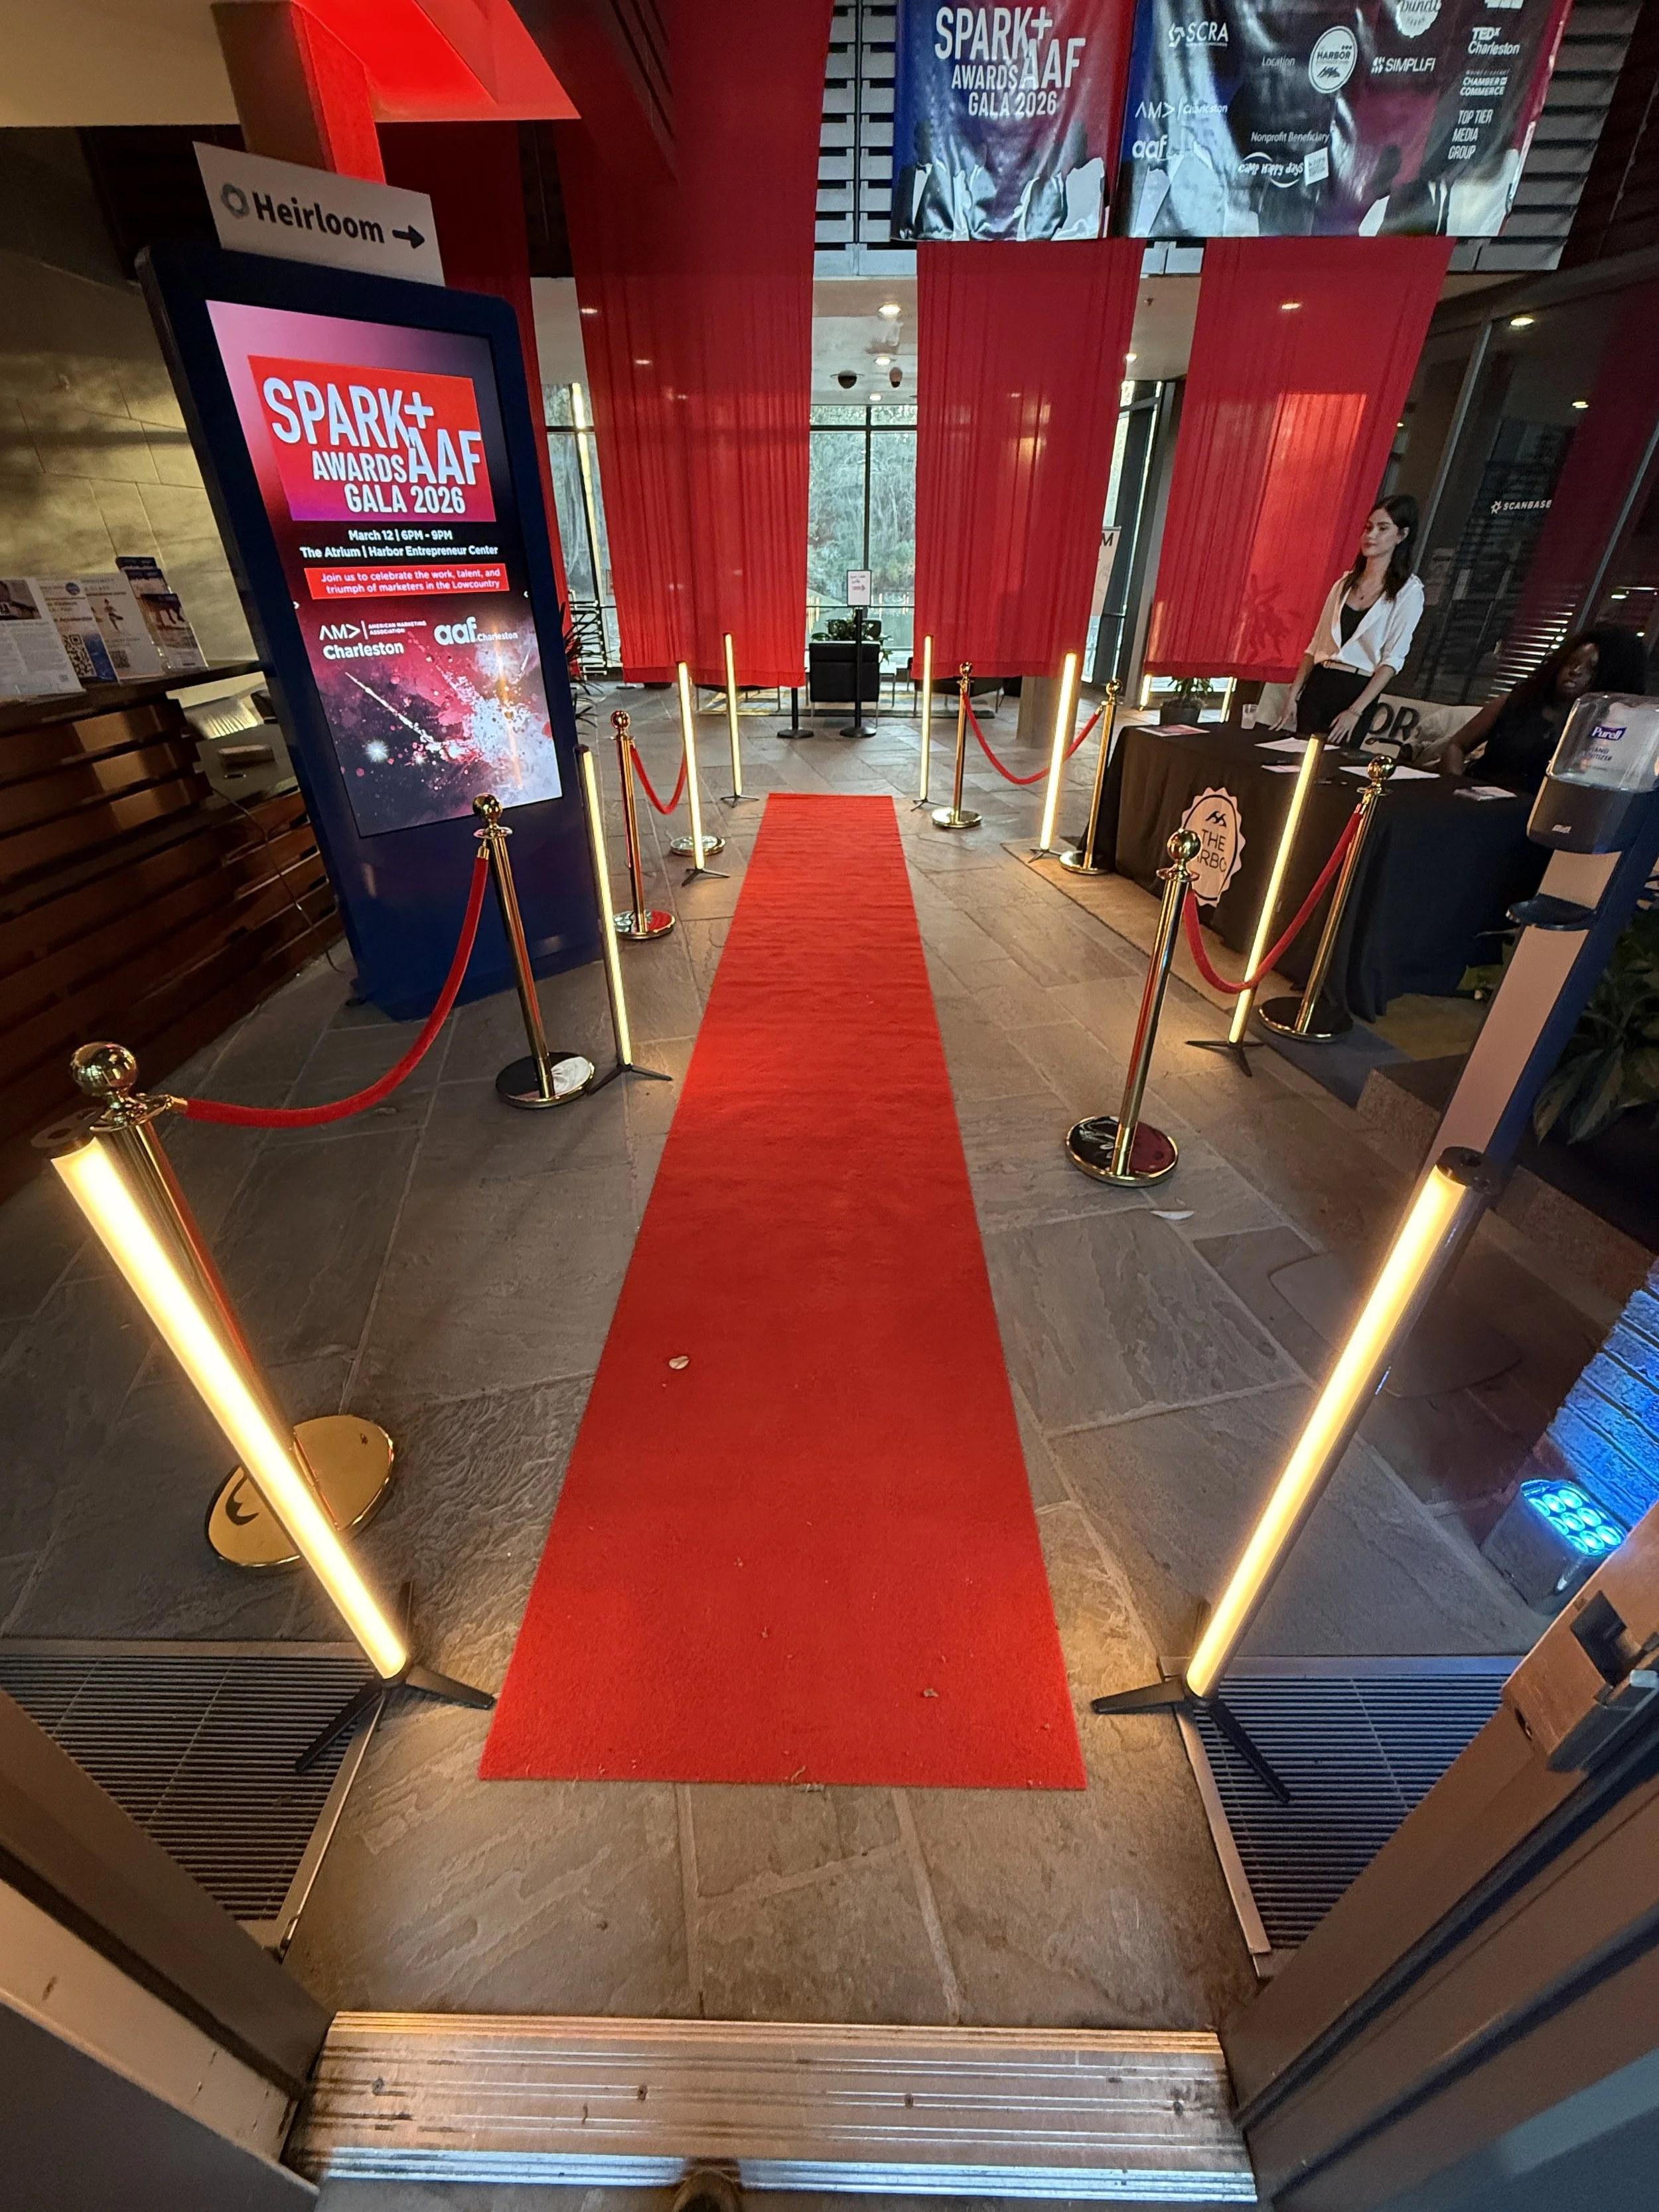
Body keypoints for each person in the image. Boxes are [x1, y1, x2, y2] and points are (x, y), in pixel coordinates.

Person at [1274, 494, 1424, 742]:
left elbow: (1392, 661)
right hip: (1320, 682)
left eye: (1383, 528)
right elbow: (1315, 646)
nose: (1371, 535)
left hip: (1357, 688)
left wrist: (1356, 711)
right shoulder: (1343, 584)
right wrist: (1293, 695)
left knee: (1334, 762)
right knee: (1298, 758)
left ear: (1402, 535)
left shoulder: (1409, 592)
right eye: (1368, 527)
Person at [1441, 622, 1650, 795]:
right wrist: (1455, 788)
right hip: (1478, 798)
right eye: (1572, 662)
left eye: (1592, 669)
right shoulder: (1517, 702)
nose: (1576, 671)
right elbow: (1456, 745)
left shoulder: (1609, 731)